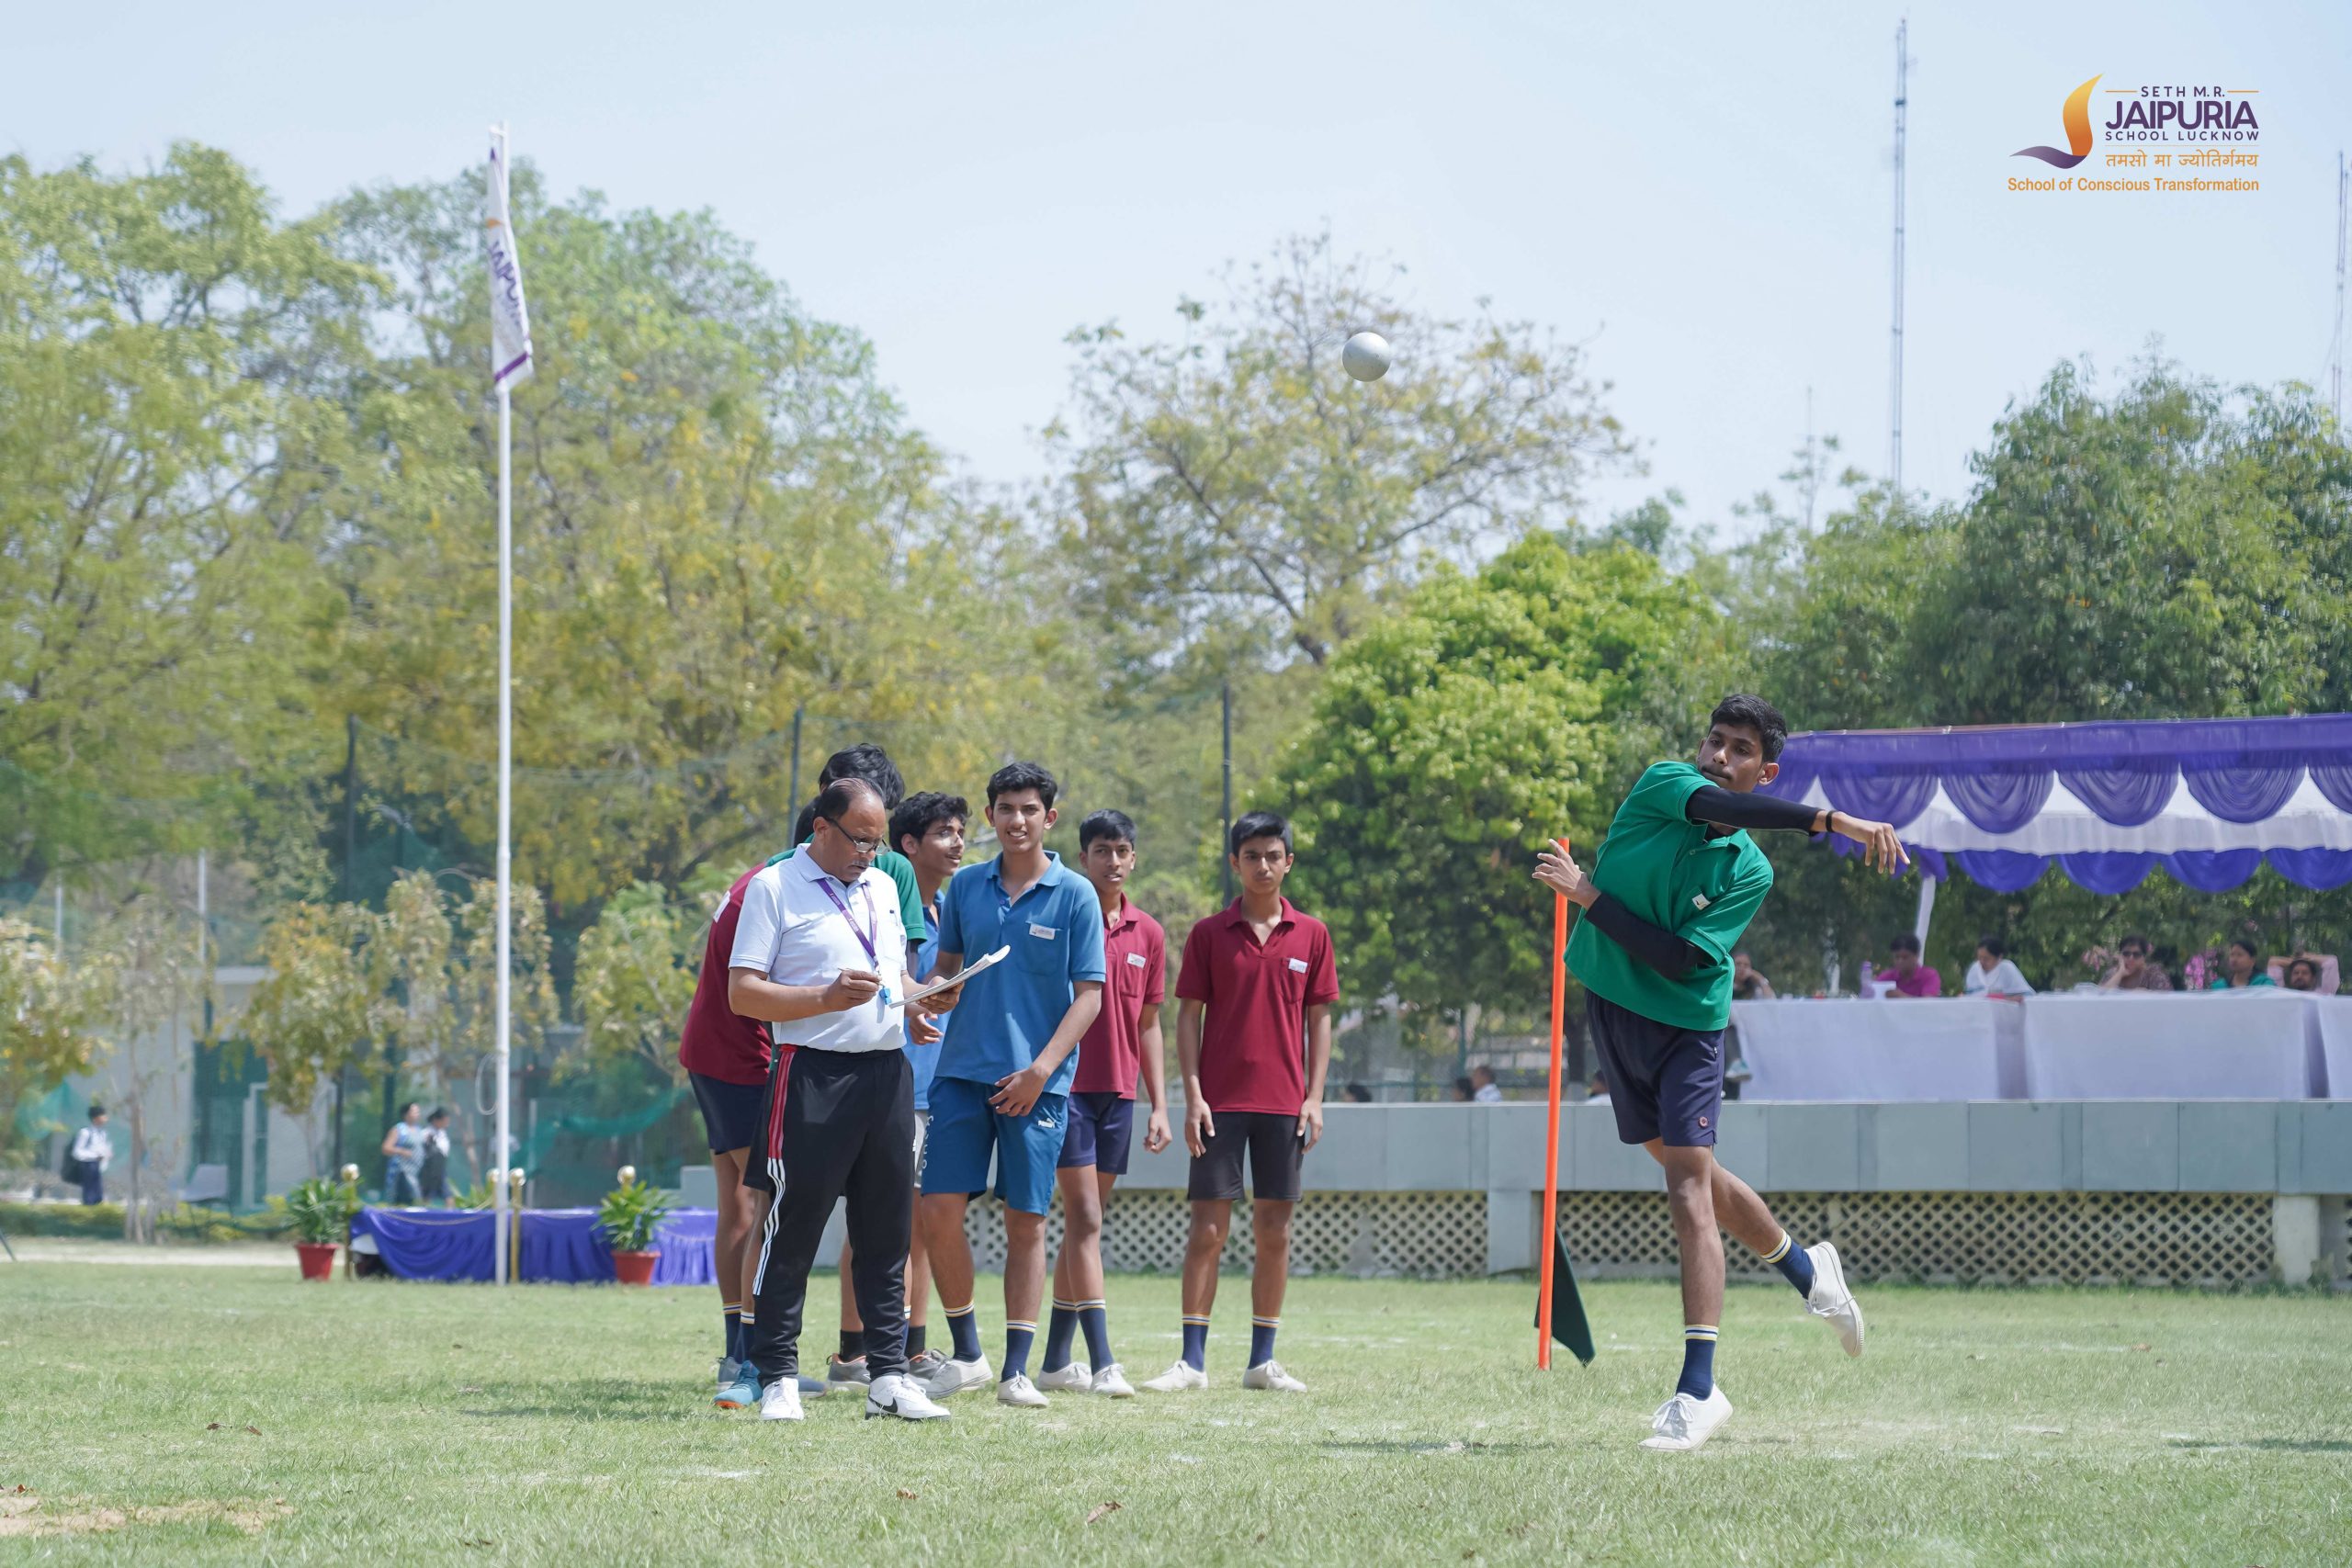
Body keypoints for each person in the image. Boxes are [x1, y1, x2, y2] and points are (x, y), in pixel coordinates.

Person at [1536, 694, 1885, 1452]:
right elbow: (1714, 806)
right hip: (1614, 1009)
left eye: (1741, 750)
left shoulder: (1750, 870)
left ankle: (1699, 1388)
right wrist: (1830, 821)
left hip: (1689, 1024)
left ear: (1768, 772)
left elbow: (1680, 958)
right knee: (1692, 1171)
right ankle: (1808, 1269)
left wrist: (1589, 895)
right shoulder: (1665, 783)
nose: (1721, 757)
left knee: (1689, 1185)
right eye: (1716, 741)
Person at [687, 744, 929, 1411]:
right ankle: (776, 1375)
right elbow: (743, 993)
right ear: (822, 827)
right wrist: (823, 997)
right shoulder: (773, 887)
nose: (869, 855)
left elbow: (892, 977)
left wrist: (922, 998)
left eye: (878, 843)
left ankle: (888, 1377)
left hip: (887, 1071)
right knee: (791, 1227)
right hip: (811, 1073)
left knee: (887, 1231)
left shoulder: (883, 887)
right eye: (859, 840)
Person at [916, 762, 1107, 1409]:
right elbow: (946, 969)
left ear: (1049, 817)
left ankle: (1016, 1371)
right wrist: (932, 996)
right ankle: (968, 1353)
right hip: (958, 1075)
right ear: (990, 817)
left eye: (1028, 809)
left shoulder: (1075, 894)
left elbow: (1089, 997)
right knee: (937, 1211)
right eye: (1005, 809)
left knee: (1026, 1220)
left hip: (1037, 1085)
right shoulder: (967, 886)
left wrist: (1040, 1071)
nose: (1016, 820)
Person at [1142, 810, 1337, 1397]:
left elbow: (1320, 1019)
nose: (1263, 866)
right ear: (1235, 863)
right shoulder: (1208, 934)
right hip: (1219, 1106)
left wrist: (1315, 1098)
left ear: (1289, 862)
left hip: (1285, 1106)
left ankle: (1262, 1361)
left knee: (1275, 1231)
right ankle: (1191, 1362)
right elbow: (1187, 1018)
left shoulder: (1313, 935)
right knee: (1207, 1229)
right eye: (1251, 856)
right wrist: (1193, 1095)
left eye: (1273, 855)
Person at [819, 789, 968, 1392]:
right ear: (908, 845)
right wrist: (914, 1000)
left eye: (961, 832)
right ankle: (853, 1351)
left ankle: (911, 1345)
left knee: (919, 1224)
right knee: (875, 1221)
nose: (957, 843)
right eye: (944, 832)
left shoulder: (949, 913)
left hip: (939, 1089)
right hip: (889, 1083)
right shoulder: (878, 904)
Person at [1039, 809, 1170, 1400]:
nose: (1112, 861)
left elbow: (1149, 1025)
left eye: (1121, 851)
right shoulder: (1064, 915)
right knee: (1086, 1219)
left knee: (1084, 1226)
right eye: (1101, 851)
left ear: (1133, 858)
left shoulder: (1150, 934)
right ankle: (1103, 1362)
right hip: (1066, 1088)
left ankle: (1054, 1360)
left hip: (1119, 1094)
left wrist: (1159, 1104)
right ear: (1082, 858)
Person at [380, 1103, 425, 1205]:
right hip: (402, 1172)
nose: (417, 1114)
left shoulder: (419, 1130)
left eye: (418, 1112)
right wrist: (401, 1151)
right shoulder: (399, 1129)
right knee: (411, 1198)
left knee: (415, 1200)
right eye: (414, 1111)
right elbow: (386, 1148)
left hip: (416, 1172)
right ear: (406, 1114)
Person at [67, 1104, 112, 1206]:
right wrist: (94, 1156)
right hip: (87, 1165)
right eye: (103, 1116)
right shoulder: (85, 1133)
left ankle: (97, 1207)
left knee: (98, 1192)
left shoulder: (103, 1133)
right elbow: (77, 1152)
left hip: (98, 1164)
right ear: (96, 1118)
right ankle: (88, 1207)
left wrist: (106, 1154)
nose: (106, 1119)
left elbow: (101, 1148)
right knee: (89, 1192)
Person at [1962, 936, 2034, 998]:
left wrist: (2004, 998)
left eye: (1986, 959)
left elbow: (2026, 995)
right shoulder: (1974, 969)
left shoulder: (2007, 968)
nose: (1982, 962)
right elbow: (1969, 994)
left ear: (1999, 957)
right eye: (1979, 958)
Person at [2098, 935, 2173, 992]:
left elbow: (2167, 999)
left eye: (2136, 955)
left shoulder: (2154, 974)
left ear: (2144, 957)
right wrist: (2120, 973)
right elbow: (2099, 997)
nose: (2131, 958)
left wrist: (2148, 994)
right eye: (2126, 954)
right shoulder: (2112, 973)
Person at [1883, 933, 1941, 998]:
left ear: (1917, 956)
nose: (1900, 961)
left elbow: (1928, 1003)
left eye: (1905, 957)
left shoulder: (1929, 976)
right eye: (1897, 957)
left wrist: (1901, 996)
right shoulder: (1886, 977)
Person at [2207, 939, 2276, 990]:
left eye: (2240, 955)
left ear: (2252, 960)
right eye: (2232, 955)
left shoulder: (2264, 984)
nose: (2234, 959)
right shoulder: (2218, 987)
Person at [418, 1109, 453, 1204]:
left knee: (448, 1195)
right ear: (436, 1120)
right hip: (430, 1171)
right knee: (428, 1196)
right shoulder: (426, 1133)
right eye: (444, 1121)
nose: (447, 1124)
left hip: (440, 1169)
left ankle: (450, 1214)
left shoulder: (442, 1133)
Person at [2271, 952, 2338, 994]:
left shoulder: (2323, 994)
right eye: (2296, 973)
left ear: (2313, 978)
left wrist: (2306, 956)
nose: (2299, 976)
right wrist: (2294, 960)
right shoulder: (2281, 994)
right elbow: (2273, 962)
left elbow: (2332, 962)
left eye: (2305, 973)